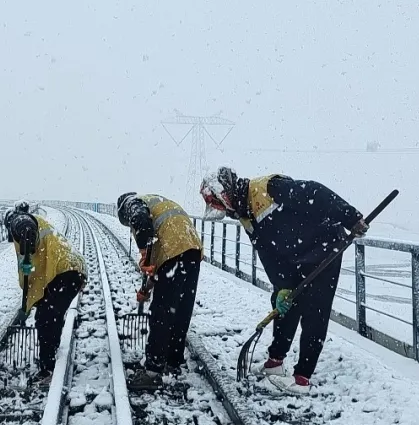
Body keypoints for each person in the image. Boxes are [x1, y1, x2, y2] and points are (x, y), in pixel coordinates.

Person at [200, 167, 368, 395]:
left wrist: (350, 217)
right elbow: (267, 253)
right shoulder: (245, 213)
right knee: (284, 305)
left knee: (314, 310)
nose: (220, 209)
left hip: (323, 248)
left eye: (218, 203)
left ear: (225, 193)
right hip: (294, 257)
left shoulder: (269, 188)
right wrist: (281, 284)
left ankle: (302, 378)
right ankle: (275, 361)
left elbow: (315, 193)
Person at [115, 192, 203, 389]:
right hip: (191, 247)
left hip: (173, 249)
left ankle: (153, 371)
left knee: (161, 312)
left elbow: (141, 223)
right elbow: (158, 268)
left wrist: (144, 252)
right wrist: (146, 288)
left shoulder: (133, 204)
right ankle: (173, 361)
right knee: (180, 309)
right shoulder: (158, 202)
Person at [4, 202, 87, 386]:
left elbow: (25, 225)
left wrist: (24, 236)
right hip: (68, 271)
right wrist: (26, 306)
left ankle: (48, 369)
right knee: (51, 314)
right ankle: (52, 356)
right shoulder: (38, 225)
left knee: (45, 317)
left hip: (64, 271)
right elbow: (32, 274)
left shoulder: (20, 221)